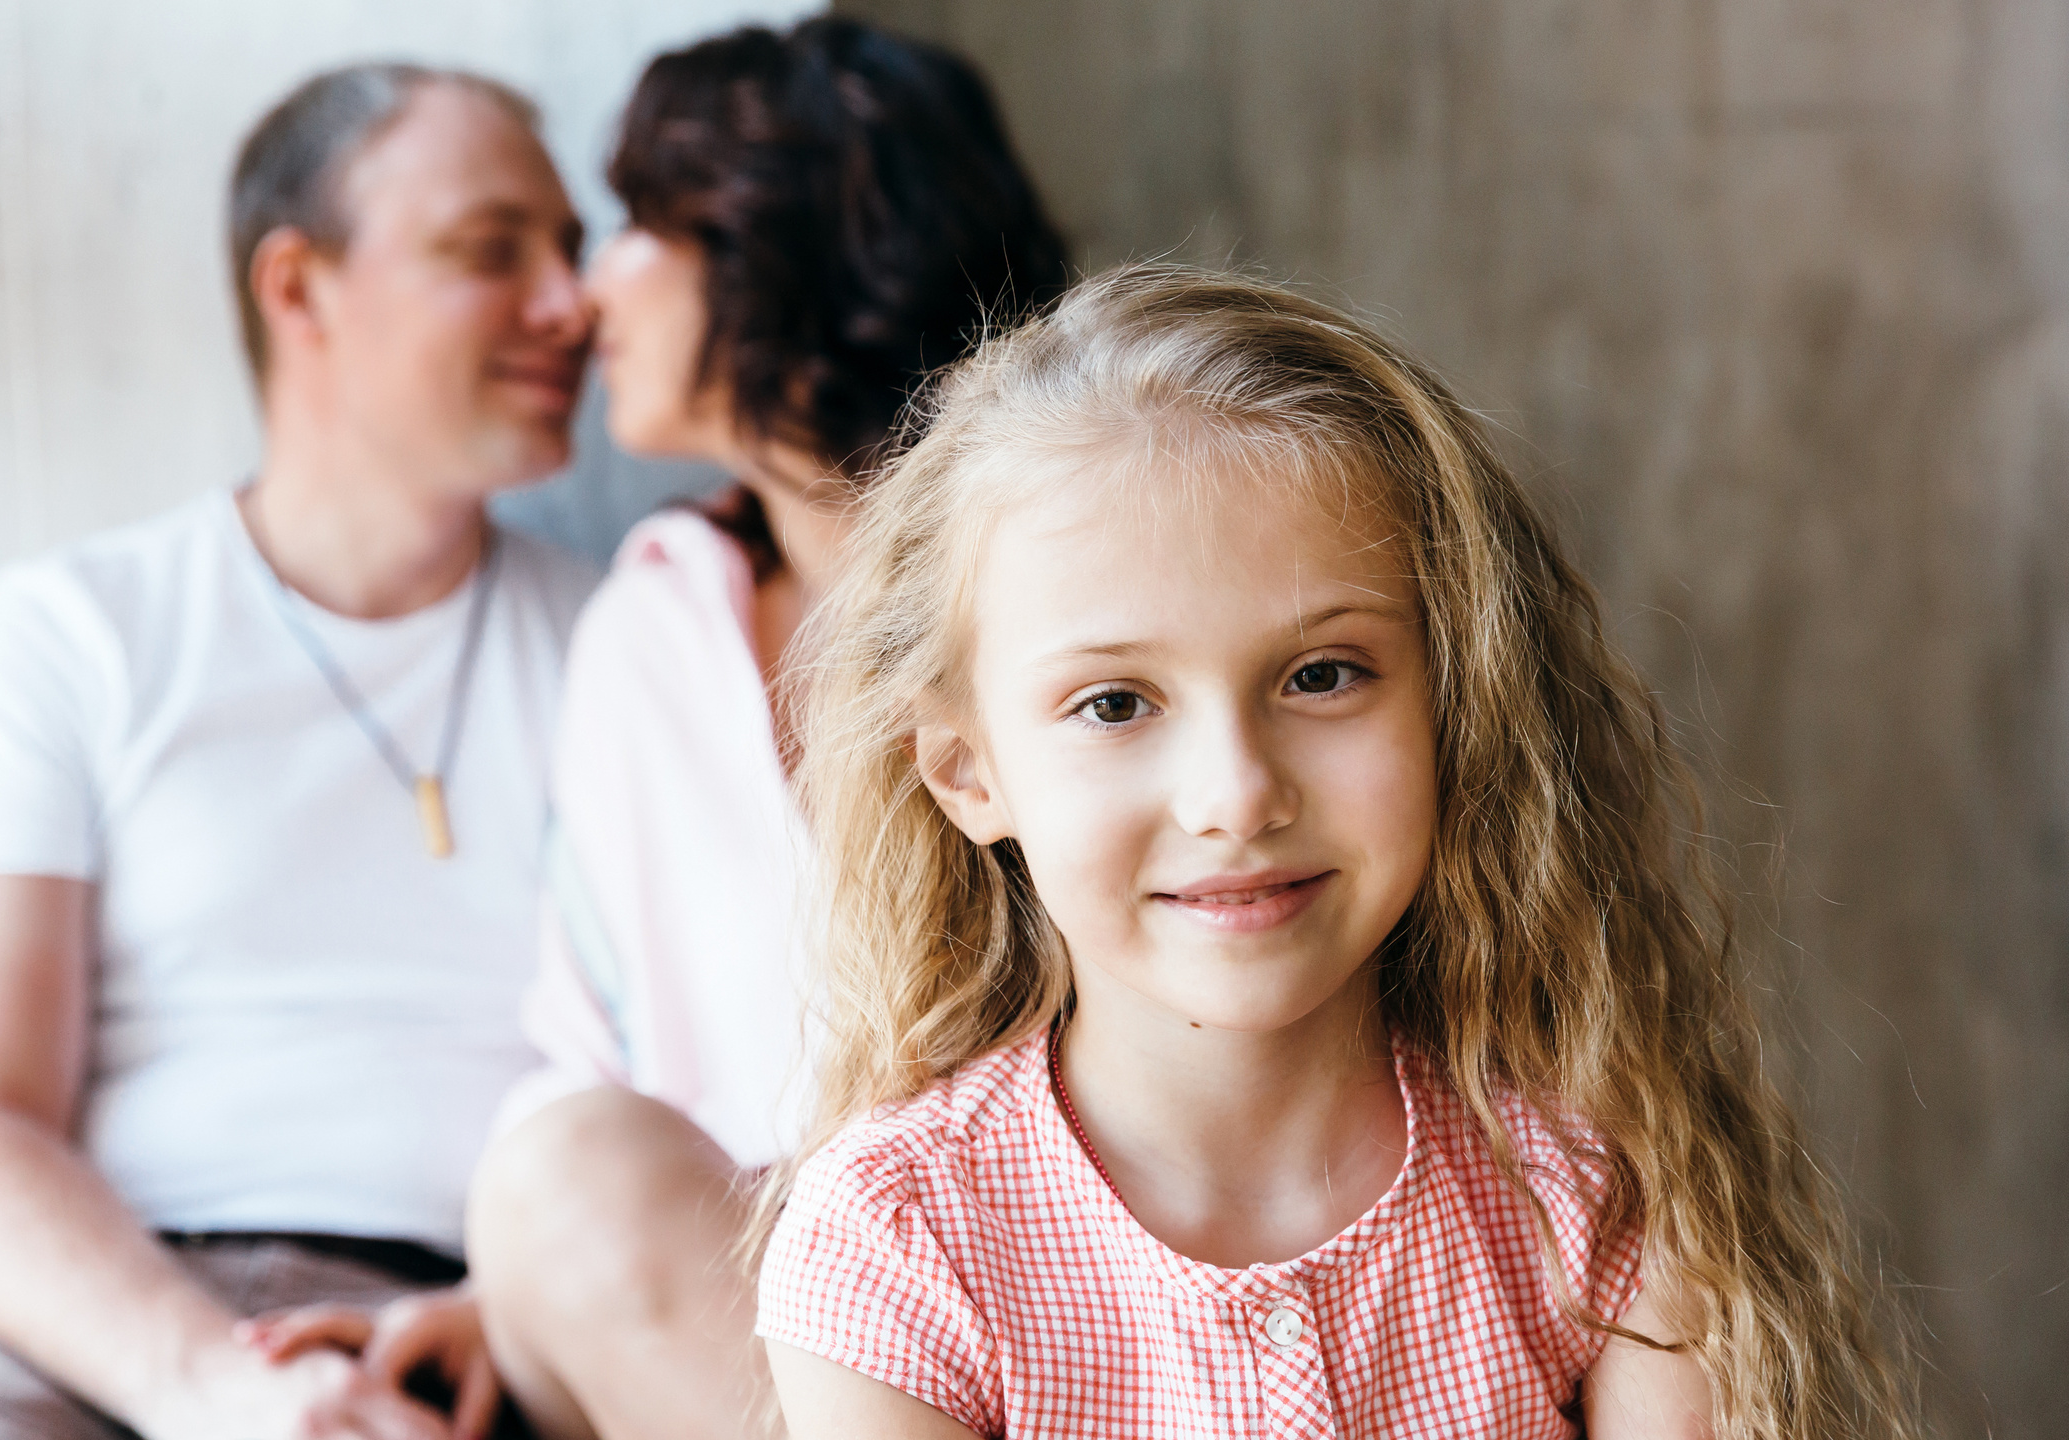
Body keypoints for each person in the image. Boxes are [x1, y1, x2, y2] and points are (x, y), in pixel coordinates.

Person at [753, 265, 1922, 1438]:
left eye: (1321, 675)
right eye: (1114, 703)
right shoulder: (896, 1245)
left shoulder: (1598, 1190)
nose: (1237, 795)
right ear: (967, 771)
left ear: (1454, 706)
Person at [239, 18, 1065, 1440]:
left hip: (1060, 1277)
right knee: (554, 1174)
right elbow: (602, 1057)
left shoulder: (1067, 583)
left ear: (772, 247)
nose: (577, 299)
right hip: (775, 1312)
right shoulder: (653, 624)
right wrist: (535, 1297)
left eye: (630, 227)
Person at [0, 63, 596, 1440]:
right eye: (491, 251)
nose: (570, 306)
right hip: (78, 1321)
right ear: (298, 289)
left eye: (571, 251)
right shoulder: (59, 641)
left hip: (486, 1336)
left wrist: (508, 1316)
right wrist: (209, 1383)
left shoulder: (632, 643)